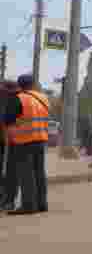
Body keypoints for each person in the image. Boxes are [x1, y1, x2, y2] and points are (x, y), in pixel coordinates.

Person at [2, 74, 49, 215]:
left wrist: (11, 134)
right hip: (40, 139)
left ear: (19, 85)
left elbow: (8, 120)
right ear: (33, 84)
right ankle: (42, 204)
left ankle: (28, 205)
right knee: (39, 172)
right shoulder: (43, 98)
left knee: (26, 174)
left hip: (23, 141)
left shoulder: (19, 98)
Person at [0, 80, 19, 210]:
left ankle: (7, 200)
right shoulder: (18, 98)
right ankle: (9, 200)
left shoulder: (10, 99)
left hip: (7, 140)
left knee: (8, 172)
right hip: (14, 141)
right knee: (11, 172)